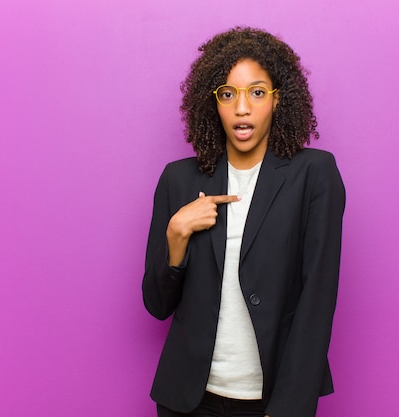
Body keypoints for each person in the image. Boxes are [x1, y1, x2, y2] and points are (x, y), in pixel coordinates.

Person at [142, 27, 345, 417]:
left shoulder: (314, 175)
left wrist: (288, 408)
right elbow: (156, 304)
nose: (242, 109)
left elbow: (317, 301)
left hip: (269, 401)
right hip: (186, 400)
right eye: (228, 94)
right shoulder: (179, 180)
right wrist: (176, 236)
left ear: (277, 100)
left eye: (256, 92)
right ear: (213, 102)